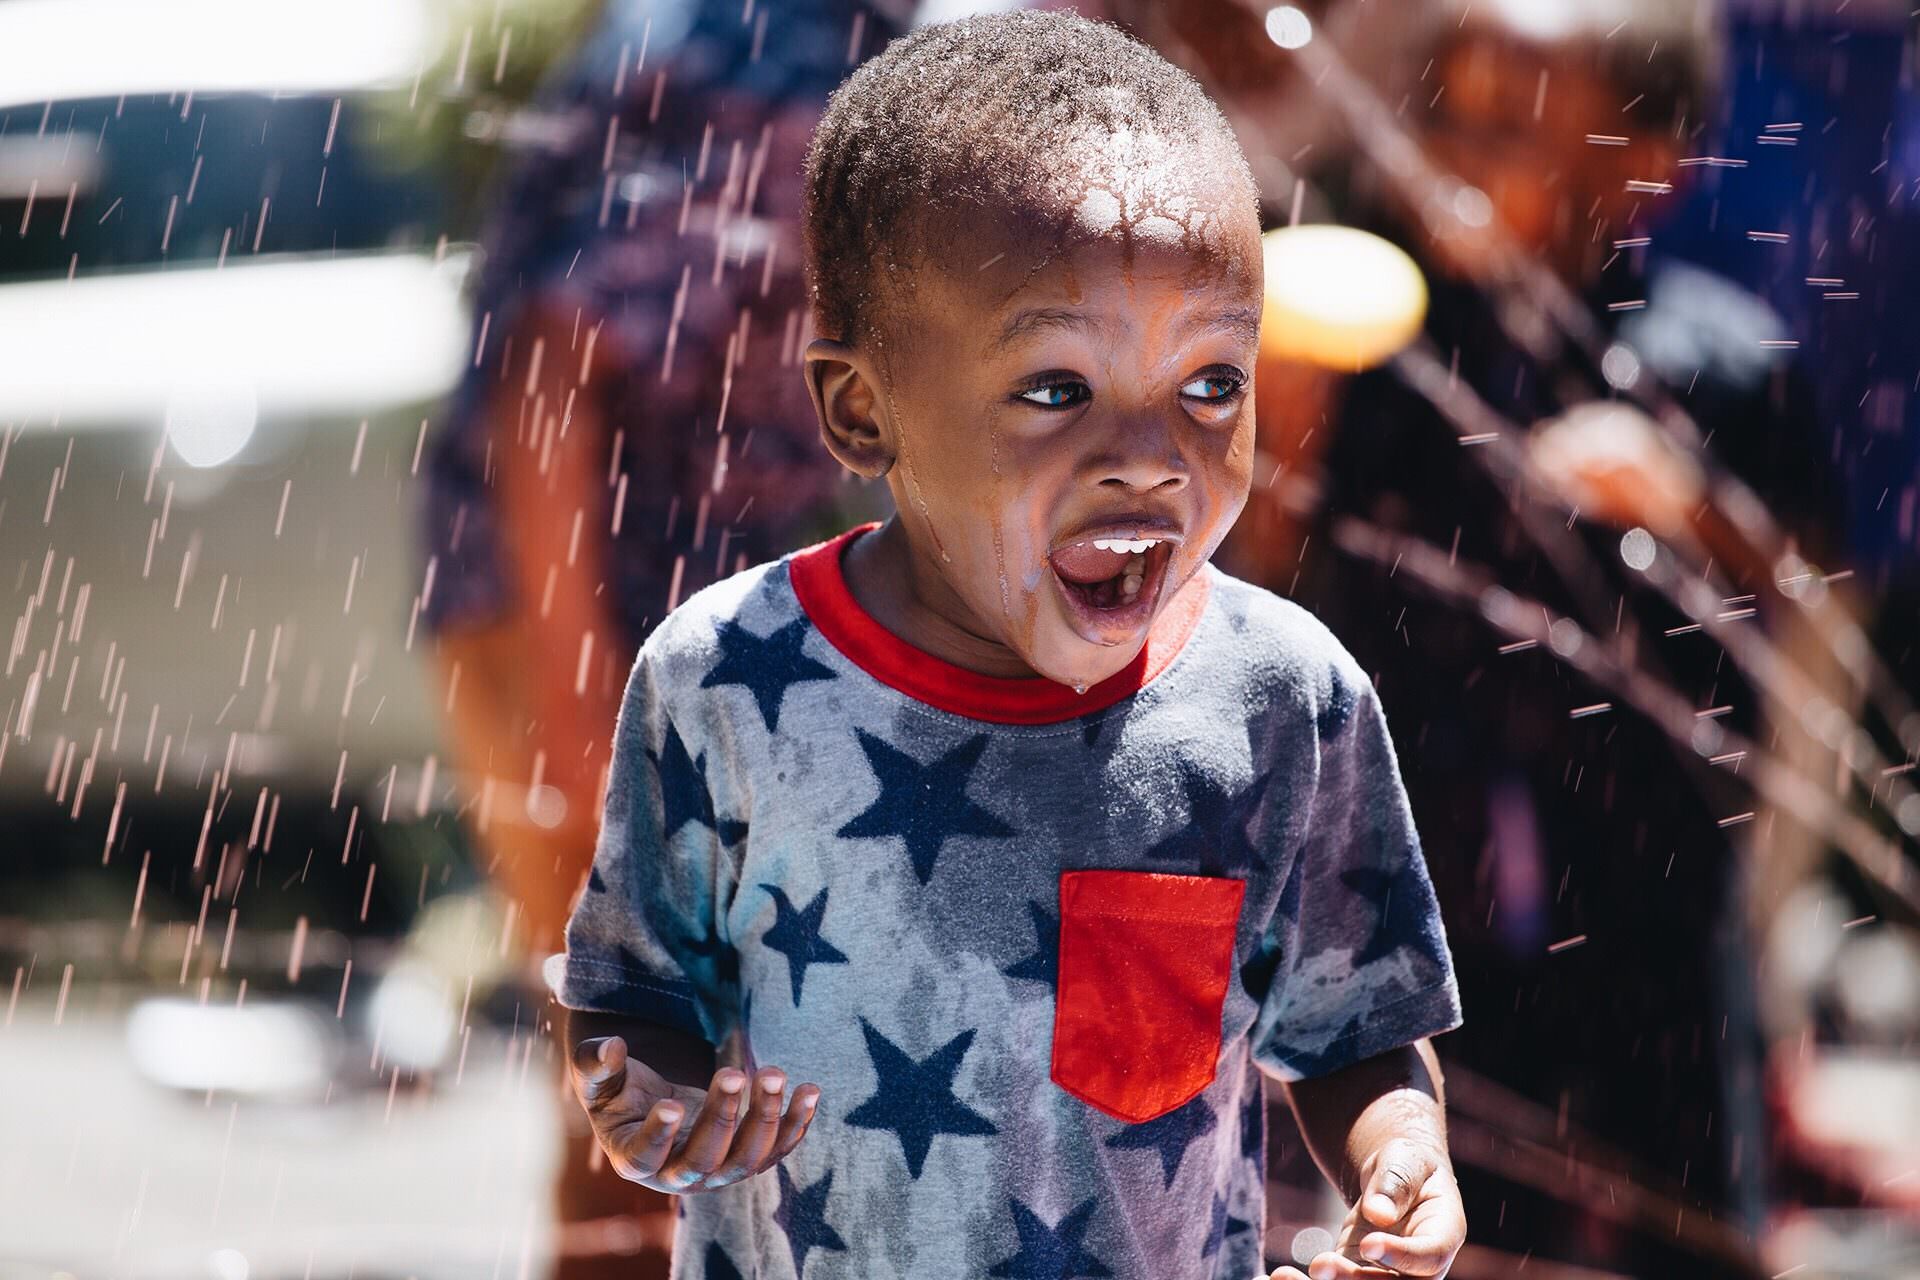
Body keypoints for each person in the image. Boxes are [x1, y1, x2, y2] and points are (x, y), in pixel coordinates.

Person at [540, 11, 1468, 1278]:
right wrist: (655, 1102)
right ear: (863, 411)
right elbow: (633, 987)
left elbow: (1358, 1022)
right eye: (1055, 388)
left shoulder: (1279, 700)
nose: (1151, 457)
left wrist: (1403, 1148)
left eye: (1212, 382)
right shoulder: (729, 682)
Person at [418, 1, 908, 1273]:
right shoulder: (766, 62)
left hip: (633, 618)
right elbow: (550, 366)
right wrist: (583, 702)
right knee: (657, 1090)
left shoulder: (812, 36)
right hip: (569, 609)